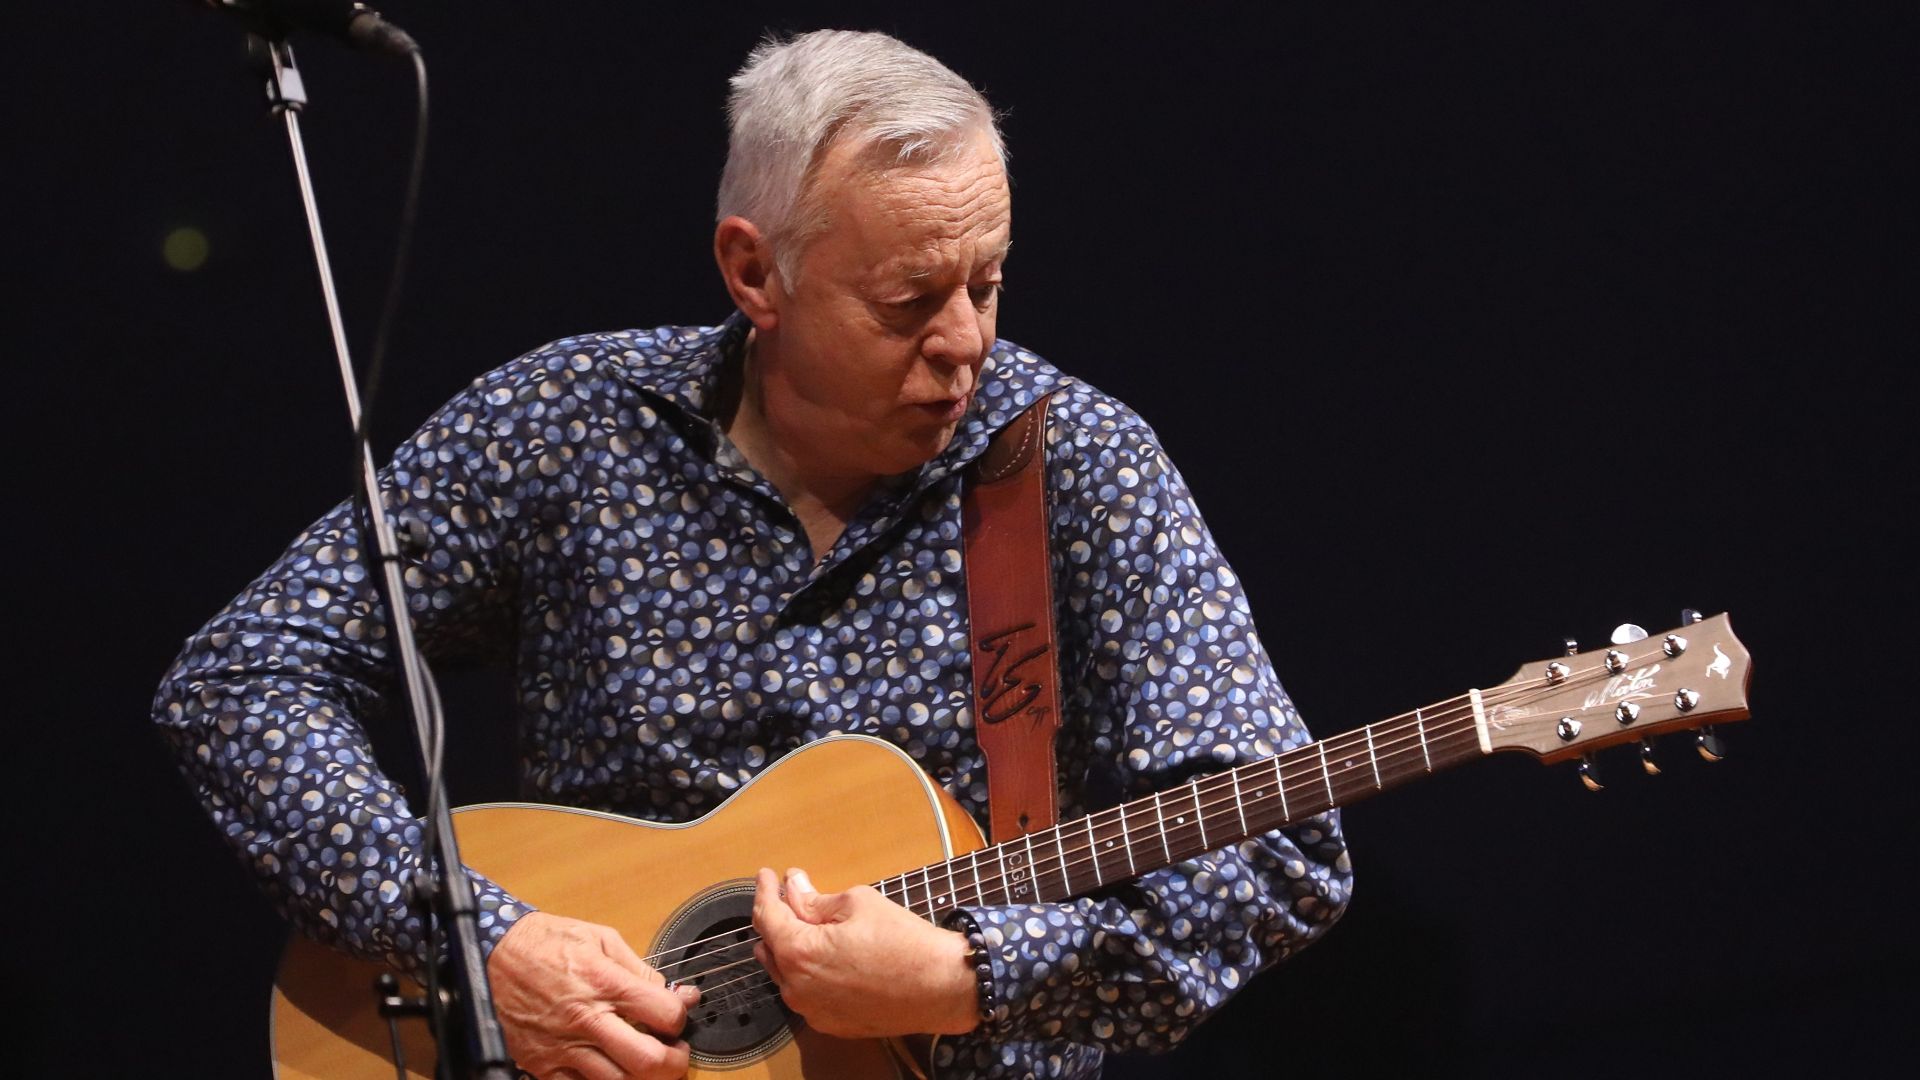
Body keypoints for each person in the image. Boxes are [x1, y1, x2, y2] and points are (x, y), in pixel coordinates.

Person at [153, 29, 1352, 1080]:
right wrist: (476, 940)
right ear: (753, 271)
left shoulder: (1079, 468)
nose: (964, 343)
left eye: (987, 284)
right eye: (908, 302)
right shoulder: (568, 425)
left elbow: (1279, 856)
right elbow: (240, 676)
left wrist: (970, 977)